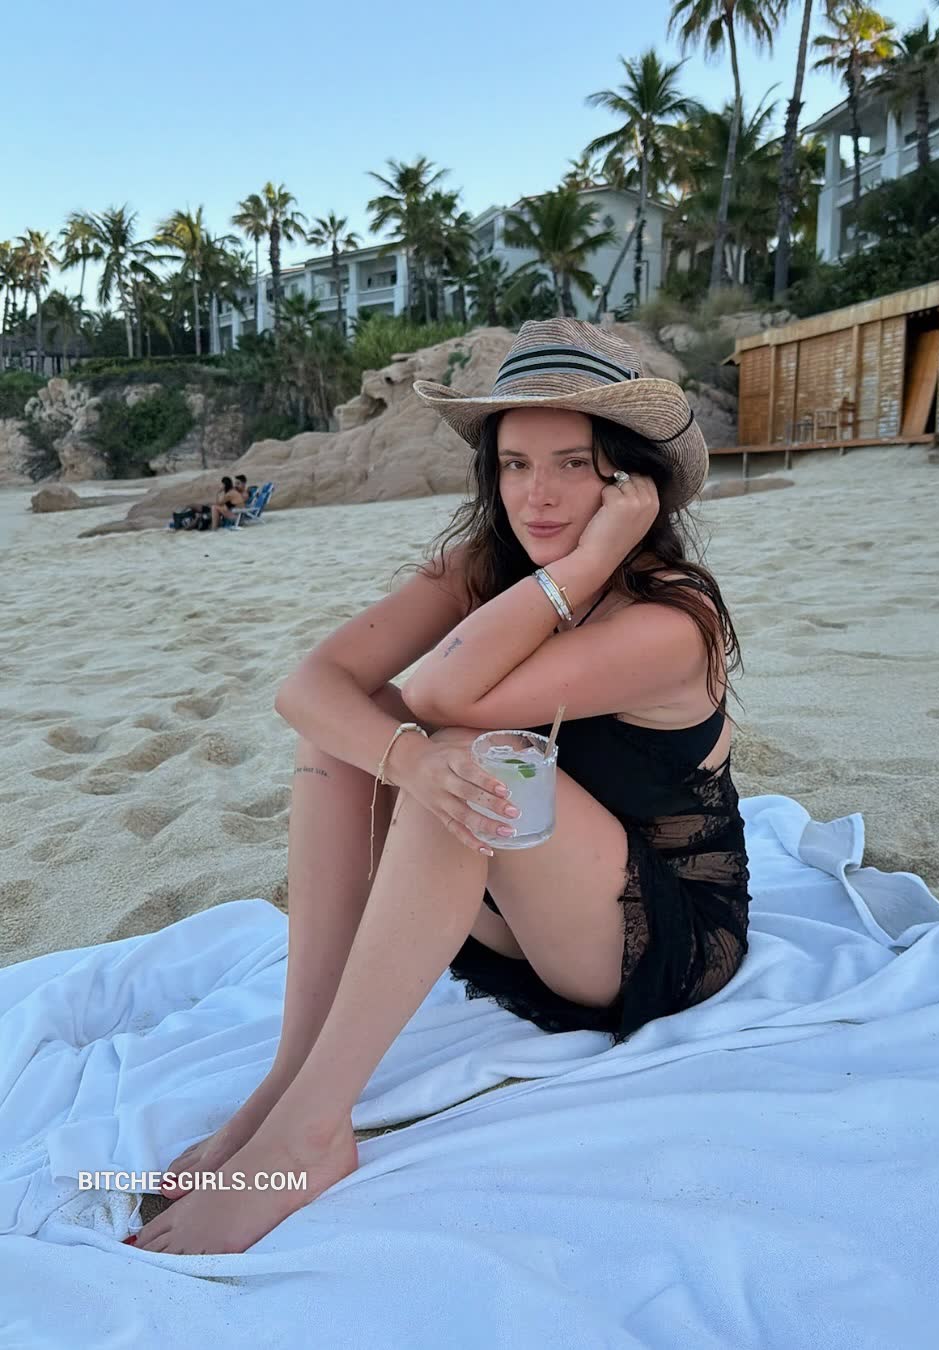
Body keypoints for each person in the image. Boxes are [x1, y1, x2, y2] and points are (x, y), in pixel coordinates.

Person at [133, 319, 751, 1255]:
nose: (537, 496)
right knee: (358, 736)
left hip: (654, 933)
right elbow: (308, 689)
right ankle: (289, 1082)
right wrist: (406, 758)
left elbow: (443, 696)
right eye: (514, 465)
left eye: (573, 465)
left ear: (630, 483)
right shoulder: (489, 566)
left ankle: (311, 1134)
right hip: (524, 908)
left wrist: (586, 567)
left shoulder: (672, 619)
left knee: (469, 751)